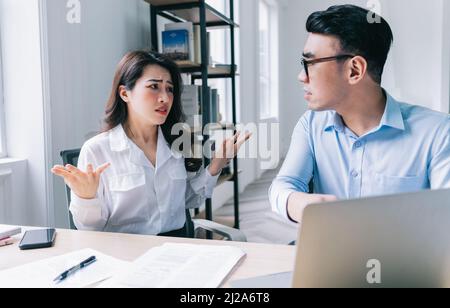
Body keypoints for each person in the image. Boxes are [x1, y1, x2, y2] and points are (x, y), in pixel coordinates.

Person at [269, 5, 450, 223]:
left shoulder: (437, 133)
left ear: (354, 70)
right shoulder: (311, 125)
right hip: (327, 254)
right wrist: (297, 203)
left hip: (403, 257)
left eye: (310, 63)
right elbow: (283, 185)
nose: (301, 76)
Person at [52, 51, 250, 235]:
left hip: (178, 246)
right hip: (127, 254)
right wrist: (87, 198)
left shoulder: (178, 142)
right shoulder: (97, 150)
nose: (165, 98)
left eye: (169, 89)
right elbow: (89, 230)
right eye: (154, 86)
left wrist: (217, 164)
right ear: (124, 93)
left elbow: (187, 200)